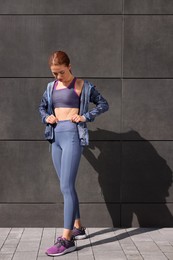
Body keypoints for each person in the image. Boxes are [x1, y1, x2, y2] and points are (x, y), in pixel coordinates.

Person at [39, 50, 109, 257]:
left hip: (71, 135)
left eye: (60, 72)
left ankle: (67, 239)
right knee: (65, 186)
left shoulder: (83, 86)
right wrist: (46, 118)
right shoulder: (50, 87)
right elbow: (41, 107)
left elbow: (104, 104)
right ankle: (78, 226)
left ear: (69, 66)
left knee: (66, 186)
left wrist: (86, 116)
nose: (58, 77)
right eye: (54, 73)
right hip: (55, 137)